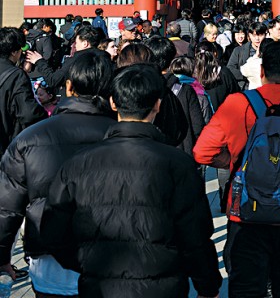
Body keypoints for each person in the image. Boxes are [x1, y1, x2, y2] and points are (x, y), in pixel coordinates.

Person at [40, 64, 222, 298]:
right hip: (163, 284)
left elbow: (53, 232)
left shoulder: (78, 164)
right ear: (158, 104)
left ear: (113, 103)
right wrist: (207, 286)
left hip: (99, 284)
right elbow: (195, 236)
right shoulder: (178, 163)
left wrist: (86, 261)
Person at [193, 41, 280, 298]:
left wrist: (233, 161)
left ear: (261, 72)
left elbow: (202, 152)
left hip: (245, 213)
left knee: (246, 288)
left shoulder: (236, 104)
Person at [0, 50, 115, 294]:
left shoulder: (30, 138)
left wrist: (2, 256)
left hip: (50, 261)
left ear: (69, 86)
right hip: (115, 261)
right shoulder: (128, 137)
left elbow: (7, 209)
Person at [0, 27, 47, 154]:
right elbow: (28, 113)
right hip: (6, 143)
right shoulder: (16, 75)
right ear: (14, 52)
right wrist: (47, 117)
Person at [226, 21, 268, 90]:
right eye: (254, 35)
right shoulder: (239, 50)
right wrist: (248, 74)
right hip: (245, 87)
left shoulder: (270, 49)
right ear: (249, 35)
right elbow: (230, 68)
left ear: (265, 35)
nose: (257, 38)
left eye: (260, 35)